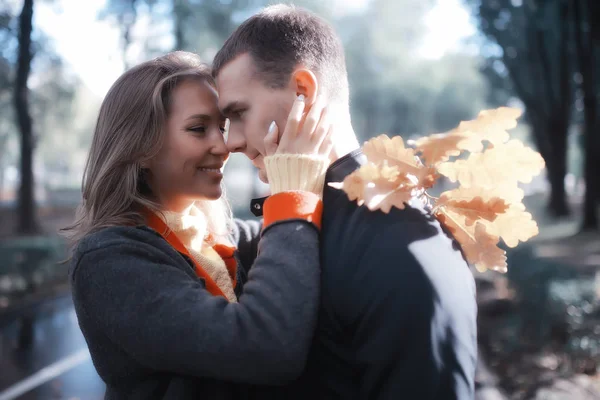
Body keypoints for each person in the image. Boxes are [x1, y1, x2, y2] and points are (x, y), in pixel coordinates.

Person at [212, 5, 478, 399]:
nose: (230, 142)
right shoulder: (303, 218)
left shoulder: (400, 241)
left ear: (303, 90)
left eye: (239, 112)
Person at [63, 51, 334, 399]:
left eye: (221, 127)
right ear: (140, 147)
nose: (223, 146)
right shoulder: (107, 261)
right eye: (197, 129)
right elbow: (264, 350)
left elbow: (293, 244)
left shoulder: (223, 238)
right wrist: (291, 191)